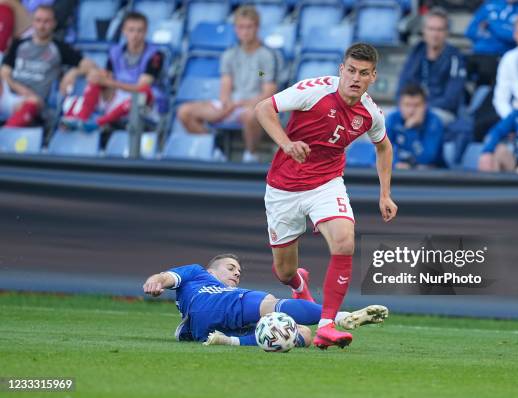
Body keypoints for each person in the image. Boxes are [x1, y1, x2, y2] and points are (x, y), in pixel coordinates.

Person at [254, 43, 398, 349]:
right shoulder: (314, 90)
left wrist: (385, 194)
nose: (355, 78)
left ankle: (326, 325)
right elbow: (263, 108)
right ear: (341, 70)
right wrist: (286, 143)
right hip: (283, 187)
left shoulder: (370, 112)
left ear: (373, 77)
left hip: (326, 183)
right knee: (284, 272)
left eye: (363, 73)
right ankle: (299, 283)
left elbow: (384, 146)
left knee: (345, 241)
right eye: (350, 70)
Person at [142, 253, 389, 347]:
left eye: (239, 270)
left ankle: (229, 342)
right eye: (230, 268)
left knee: (301, 333)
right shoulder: (197, 273)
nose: (236, 273)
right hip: (222, 306)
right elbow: (165, 276)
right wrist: (155, 282)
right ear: (211, 271)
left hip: (206, 329)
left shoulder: (232, 289)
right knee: (270, 303)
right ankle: (339, 317)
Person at [177, 6, 277, 163]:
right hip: (232, 104)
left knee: (251, 115)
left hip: (252, 105)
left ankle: (250, 155)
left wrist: (239, 104)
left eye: (249, 27)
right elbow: (226, 84)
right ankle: (215, 150)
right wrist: (225, 103)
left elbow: (268, 91)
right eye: (241, 27)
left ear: (257, 28)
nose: (245, 31)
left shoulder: (267, 56)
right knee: (185, 112)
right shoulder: (229, 55)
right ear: (235, 29)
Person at [61, 11, 165, 133]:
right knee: (95, 80)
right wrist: (99, 78)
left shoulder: (155, 55)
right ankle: (81, 119)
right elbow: (108, 76)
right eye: (131, 30)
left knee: (143, 92)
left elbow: (141, 87)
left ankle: (98, 123)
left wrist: (111, 83)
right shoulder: (115, 51)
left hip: (147, 103)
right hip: (119, 95)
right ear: (124, 31)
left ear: (146, 31)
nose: (135, 35)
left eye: (139, 30)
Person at [0, 5, 94, 126]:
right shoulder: (18, 44)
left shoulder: (59, 48)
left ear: (54, 23)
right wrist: (21, 89)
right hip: (8, 95)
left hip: (34, 102)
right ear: (32, 22)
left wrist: (73, 73)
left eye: (46, 21)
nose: (42, 25)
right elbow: (4, 73)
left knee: (32, 102)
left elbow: (90, 65)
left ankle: (6, 135)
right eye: (38, 20)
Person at [396, 7, 466, 125]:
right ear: (424, 31)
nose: (435, 34)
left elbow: (451, 99)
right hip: (412, 107)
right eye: (431, 29)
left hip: (441, 111)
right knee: (381, 120)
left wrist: (421, 109)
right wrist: (407, 106)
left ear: (446, 32)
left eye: (439, 30)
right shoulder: (417, 52)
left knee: (427, 122)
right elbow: (402, 85)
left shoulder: (455, 57)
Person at [465, 0, 518, 86]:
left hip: (501, 55)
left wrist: (492, 26)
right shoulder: (490, 4)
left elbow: (516, 36)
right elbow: (470, 32)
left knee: (487, 69)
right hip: (477, 53)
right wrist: (500, 30)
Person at [386, 84, 445, 169]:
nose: (411, 110)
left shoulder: (434, 122)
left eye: (417, 105)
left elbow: (427, 158)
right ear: (400, 106)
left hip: (432, 174)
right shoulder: (392, 119)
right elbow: (380, 152)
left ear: (425, 106)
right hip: (399, 172)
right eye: (407, 105)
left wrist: (410, 130)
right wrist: (395, 163)